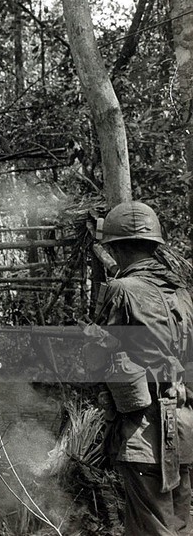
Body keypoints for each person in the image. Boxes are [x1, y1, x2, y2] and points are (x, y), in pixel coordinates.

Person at [91, 201, 193, 536]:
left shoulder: (121, 290)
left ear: (118, 249)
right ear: (154, 246)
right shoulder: (183, 294)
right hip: (182, 427)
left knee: (149, 528)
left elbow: (97, 361)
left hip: (143, 432)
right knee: (179, 523)